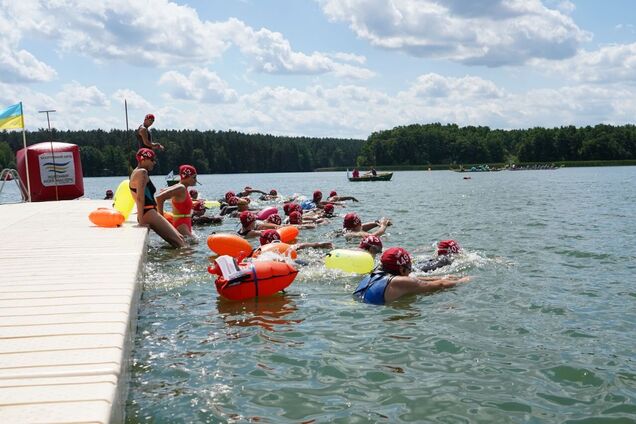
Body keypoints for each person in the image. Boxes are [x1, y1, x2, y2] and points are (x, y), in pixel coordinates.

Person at [353, 247, 469, 305]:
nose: (410, 272)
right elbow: (440, 285)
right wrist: (463, 280)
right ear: (402, 269)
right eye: (409, 268)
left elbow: (413, 280)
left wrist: (440, 277)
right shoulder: (399, 282)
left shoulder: (371, 276)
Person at [129, 148, 185, 248]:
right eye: (152, 159)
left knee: (180, 238)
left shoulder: (137, 172)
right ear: (143, 159)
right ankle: (186, 262)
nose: (154, 162)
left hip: (149, 212)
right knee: (179, 242)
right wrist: (141, 221)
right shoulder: (142, 173)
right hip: (148, 212)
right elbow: (139, 198)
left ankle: (177, 260)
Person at [156, 164, 199, 237]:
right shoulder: (181, 188)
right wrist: (162, 220)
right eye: (194, 177)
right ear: (186, 177)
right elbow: (159, 197)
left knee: (192, 246)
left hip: (184, 224)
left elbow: (162, 192)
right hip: (181, 226)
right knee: (192, 245)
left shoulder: (182, 188)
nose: (196, 180)